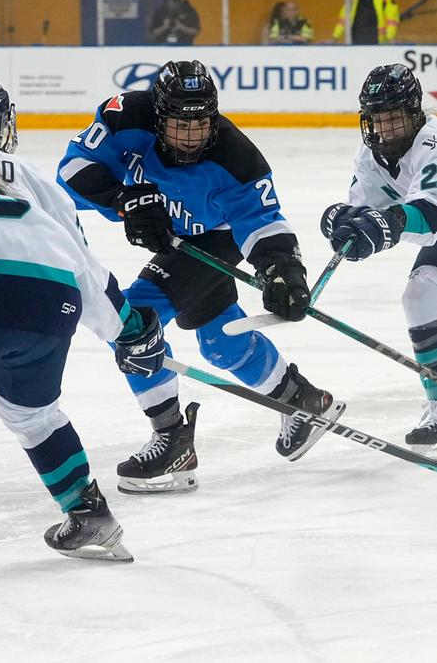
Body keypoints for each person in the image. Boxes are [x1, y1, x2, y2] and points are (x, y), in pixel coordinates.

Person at [57, 59, 345, 495]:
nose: (191, 137)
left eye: (201, 124)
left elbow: (263, 219)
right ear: (157, 115)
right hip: (179, 239)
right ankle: (303, 401)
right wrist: (123, 199)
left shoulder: (236, 157)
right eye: (179, 125)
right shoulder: (124, 118)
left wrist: (281, 268)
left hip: (217, 239)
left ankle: (173, 439)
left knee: (136, 321)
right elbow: (73, 169)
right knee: (220, 339)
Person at [0, 74, 167, 575]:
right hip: (46, 302)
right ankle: (88, 515)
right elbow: (81, 262)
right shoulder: (33, 176)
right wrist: (126, 328)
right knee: (32, 413)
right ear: (3, 123)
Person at [320, 63, 437, 450]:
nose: (384, 130)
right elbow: (366, 209)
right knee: (420, 295)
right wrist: (347, 225)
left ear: (415, 113)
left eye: (394, 119)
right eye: (377, 120)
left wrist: (387, 226)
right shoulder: (371, 154)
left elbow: (431, 215)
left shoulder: (432, 140)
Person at [332, 0, 399, 44]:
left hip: (377, 44)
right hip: (355, 44)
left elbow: (391, 20)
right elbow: (343, 19)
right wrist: (335, 38)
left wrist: (391, 38)